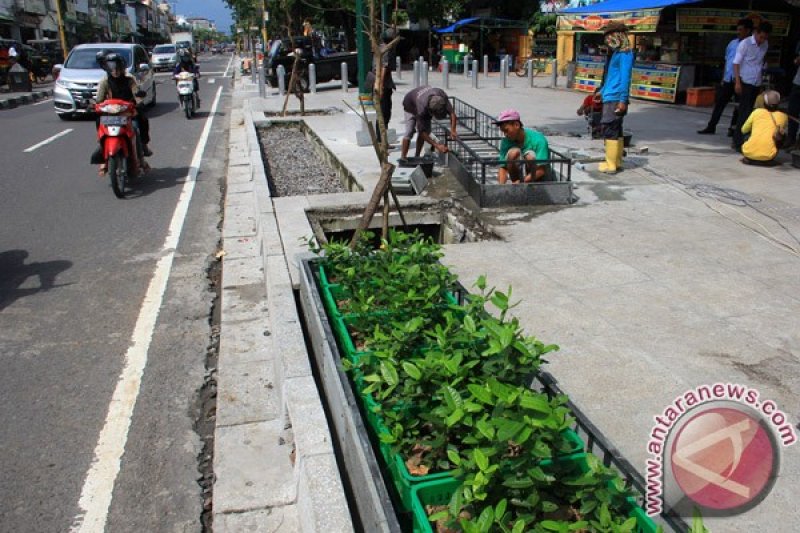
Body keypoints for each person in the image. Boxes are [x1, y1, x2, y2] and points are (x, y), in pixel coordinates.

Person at [95, 53, 151, 173]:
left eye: (117, 67)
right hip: (111, 114)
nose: (114, 70)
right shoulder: (105, 82)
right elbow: (99, 99)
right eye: (111, 67)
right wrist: (95, 105)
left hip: (127, 112)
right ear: (107, 68)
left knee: (140, 122)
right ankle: (102, 154)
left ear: (122, 67)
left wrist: (139, 102)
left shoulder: (129, 80)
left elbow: (137, 94)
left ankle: (142, 151)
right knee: (99, 121)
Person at [698, 18, 754, 136]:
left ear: (748, 31)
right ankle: (711, 126)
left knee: (738, 106)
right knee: (720, 103)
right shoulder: (732, 43)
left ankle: (733, 128)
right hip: (728, 79)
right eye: (737, 29)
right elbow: (727, 61)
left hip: (740, 80)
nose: (738, 32)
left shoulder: (751, 45)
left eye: (741, 30)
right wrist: (724, 78)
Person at [597, 22, 634, 174]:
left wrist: (623, 100)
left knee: (609, 129)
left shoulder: (625, 54)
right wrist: (602, 91)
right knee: (617, 130)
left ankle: (610, 163)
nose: (607, 41)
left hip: (616, 98)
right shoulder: (617, 54)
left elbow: (625, 78)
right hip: (610, 95)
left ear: (617, 36)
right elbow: (612, 77)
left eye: (609, 37)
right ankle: (616, 161)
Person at [732, 21, 771, 152]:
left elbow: (760, 63)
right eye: (761, 37)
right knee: (744, 112)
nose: (762, 40)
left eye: (765, 38)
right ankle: (737, 141)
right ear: (756, 33)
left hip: (756, 82)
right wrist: (737, 82)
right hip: (745, 81)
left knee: (753, 113)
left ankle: (748, 139)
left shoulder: (765, 44)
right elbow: (736, 63)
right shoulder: (745, 44)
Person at [493, 109, 550, 184]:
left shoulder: (539, 140)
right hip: (518, 178)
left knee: (530, 155)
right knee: (513, 152)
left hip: (537, 178)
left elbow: (541, 170)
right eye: (503, 132)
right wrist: (500, 187)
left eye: (506, 130)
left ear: (516, 125)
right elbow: (503, 167)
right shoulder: (506, 141)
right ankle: (516, 183)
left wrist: (521, 182)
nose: (505, 134)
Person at [400, 85, 458, 159]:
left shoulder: (441, 96)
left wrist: (453, 130)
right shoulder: (422, 109)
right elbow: (422, 132)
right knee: (409, 131)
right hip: (410, 105)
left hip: (422, 98)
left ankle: (417, 156)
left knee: (427, 131)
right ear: (431, 112)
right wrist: (437, 146)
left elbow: (452, 113)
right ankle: (403, 157)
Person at [740, 89, 787, 165]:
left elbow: (743, 130)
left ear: (764, 103)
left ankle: (752, 151)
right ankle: (767, 154)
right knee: (781, 135)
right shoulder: (783, 116)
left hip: (748, 153)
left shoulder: (756, 112)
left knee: (747, 132)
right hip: (768, 156)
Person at [365, 29, 396, 144]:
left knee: (382, 112)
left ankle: (382, 140)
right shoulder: (386, 50)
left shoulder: (379, 47)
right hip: (383, 85)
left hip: (380, 84)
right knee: (384, 113)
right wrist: (381, 86)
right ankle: (381, 140)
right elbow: (384, 68)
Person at [785, 43, 800, 149]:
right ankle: (791, 138)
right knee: (792, 111)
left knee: (793, 111)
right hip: (798, 82)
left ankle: (796, 142)